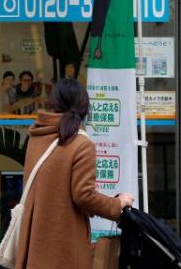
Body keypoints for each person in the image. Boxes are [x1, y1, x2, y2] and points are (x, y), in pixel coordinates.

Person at [13, 78, 134, 269]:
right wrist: (117, 204)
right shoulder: (81, 144)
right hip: (64, 248)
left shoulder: (38, 137)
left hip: (35, 246)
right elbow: (84, 196)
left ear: (54, 103)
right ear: (84, 106)